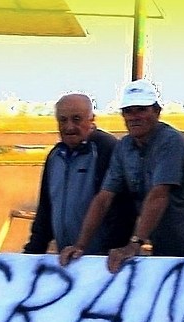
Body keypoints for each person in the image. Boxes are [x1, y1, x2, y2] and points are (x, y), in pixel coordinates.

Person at [61, 79, 184, 273]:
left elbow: (159, 195)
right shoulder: (124, 147)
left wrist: (134, 244)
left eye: (141, 109)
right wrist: (80, 245)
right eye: (128, 111)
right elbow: (104, 198)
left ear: (156, 112)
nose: (134, 116)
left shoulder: (170, 141)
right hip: (165, 249)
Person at [24, 93, 133, 257]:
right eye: (63, 120)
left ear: (91, 119)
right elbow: (45, 212)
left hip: (102, 260)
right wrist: (30, 255)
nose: (69, 127)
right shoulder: (55, 157)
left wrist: (110, 252)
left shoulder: (107, 150)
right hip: (68, 259)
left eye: (76, 119)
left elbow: (120, 209)